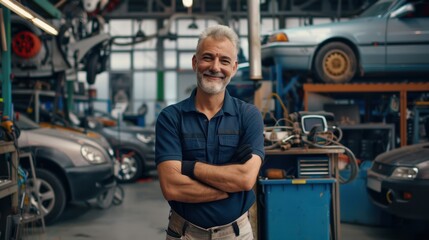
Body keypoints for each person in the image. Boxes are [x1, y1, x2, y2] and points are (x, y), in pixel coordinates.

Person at [155, 24, 265, 240]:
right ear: (195, 63)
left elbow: (245, 179)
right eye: (207, 57)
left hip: (236, 234)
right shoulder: (170, 118)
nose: (215, 67)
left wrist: (189, 167)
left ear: (234, 68)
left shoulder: (249, 116)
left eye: (224, 61)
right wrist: (226, 190)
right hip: (184, 233)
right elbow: (171, 186)